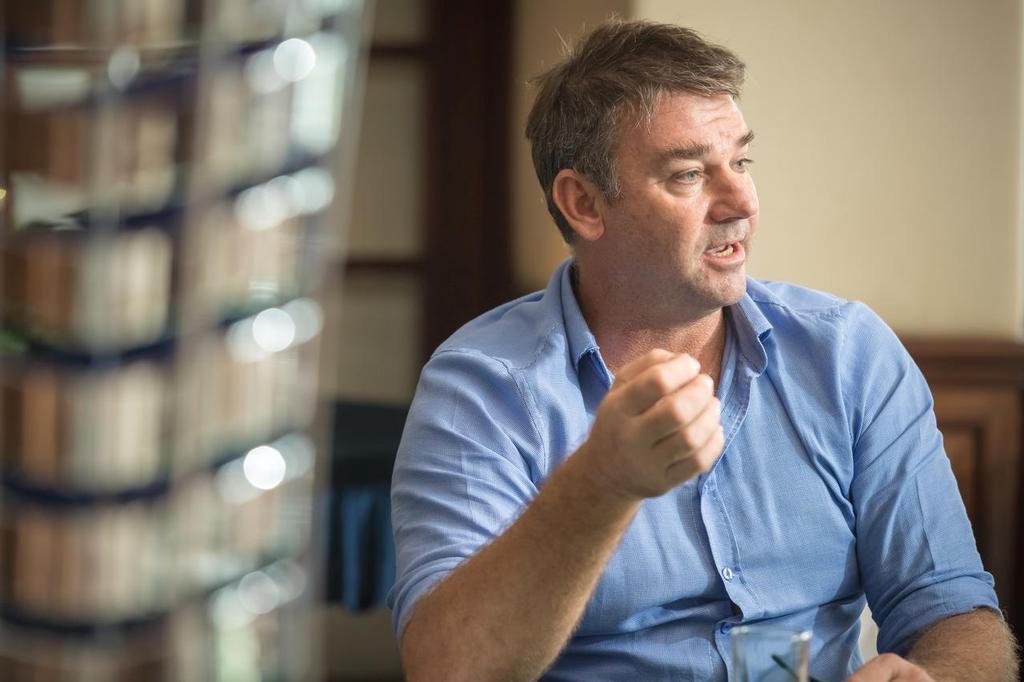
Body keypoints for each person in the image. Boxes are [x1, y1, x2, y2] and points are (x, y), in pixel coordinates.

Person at [386, 19, 1020, 682]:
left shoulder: (849, 354)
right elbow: (447, 667)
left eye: (740, 162)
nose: (741, 200)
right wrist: (601, 483)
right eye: (689, 173)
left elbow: (951, 610)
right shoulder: (481, 387)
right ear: (583, 203)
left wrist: (939, 678)